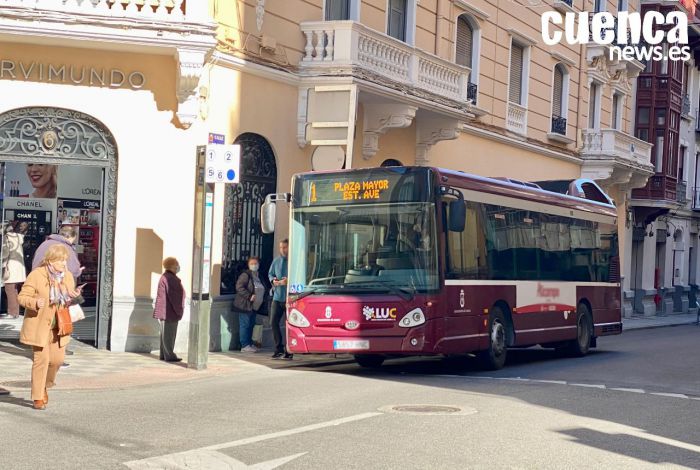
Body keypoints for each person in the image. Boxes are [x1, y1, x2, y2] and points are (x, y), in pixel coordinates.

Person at [18, 243, 80, 410]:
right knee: (41, 360)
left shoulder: (67, 276)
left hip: (59, 325)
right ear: (51, 260)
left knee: (57, 361)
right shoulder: (37, 275)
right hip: (39, 325)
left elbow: (68, 299)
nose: (64, 264)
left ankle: (45, 385)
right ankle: (37, 396)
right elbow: (22, 297)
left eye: (65, 261)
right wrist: (34, 302)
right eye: (60, 261)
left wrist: (74, 296)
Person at [31, 225, 82, 363]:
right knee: (59, 319)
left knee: (43, 319)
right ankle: (57, 353)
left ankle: (41, 348)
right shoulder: (65, 248)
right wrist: (78, 272)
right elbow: (72, 269)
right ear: (71, 237)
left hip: (39, 285)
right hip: (57, 289)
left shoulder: (44, 243)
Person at [153, 257, 185, 363]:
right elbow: (175, 297)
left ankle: (164, 354)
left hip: (165, 311)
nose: (178, 266)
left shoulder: (166, 277)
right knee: (169, 335)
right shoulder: (170, 278)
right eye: (177, 264)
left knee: (165, 335)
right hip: (169, 311)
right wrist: (179, 310)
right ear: (172, 266)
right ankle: (169, 355)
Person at [233, 256, 266, 353]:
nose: (254, 265)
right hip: (245, 305)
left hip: (254, 305)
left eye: (256, 263)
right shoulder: (246, 275)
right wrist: (249, 296)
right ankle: (244, 345)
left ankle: (249, 343)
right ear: (248, 265)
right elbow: (239, 287)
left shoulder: (258, 275)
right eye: (252, 263)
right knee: (245, 324)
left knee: (251, 324)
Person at [268, 239, 291, 359]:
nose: (282, 250)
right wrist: (273, 280)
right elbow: (270, 273)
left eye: (285, 247)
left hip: (289, 298)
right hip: (277, 297)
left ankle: (289, 349)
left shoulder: (293, 261)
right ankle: (279, 348)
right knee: (273, 322)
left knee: (290, 324)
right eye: (281, 247)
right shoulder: (276, 261)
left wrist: (288, 280)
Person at [3, 223, 26, 319]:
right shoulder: (18, 237)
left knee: (9, 289)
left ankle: (11, 313)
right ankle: (16, 312)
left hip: (11, 266)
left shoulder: (6, 238)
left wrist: (4, 265)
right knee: (14, 290)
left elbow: (5, 253)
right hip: (19, 267)